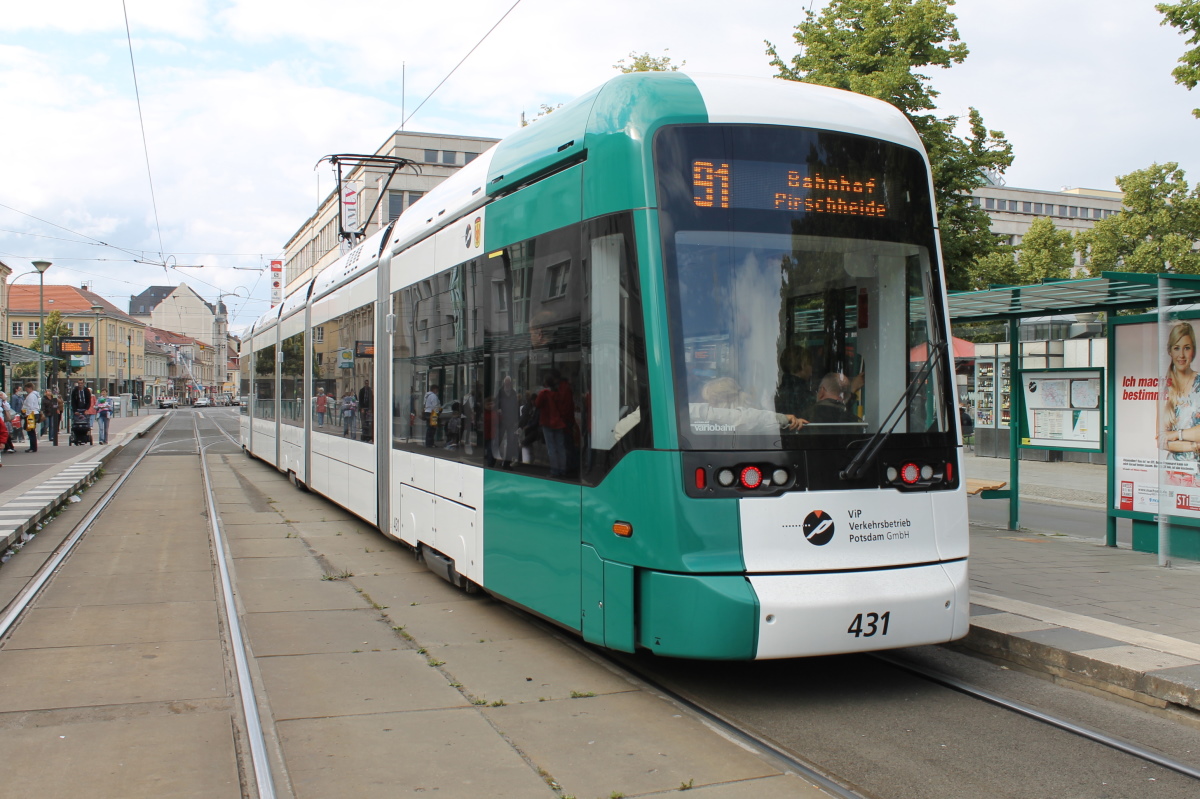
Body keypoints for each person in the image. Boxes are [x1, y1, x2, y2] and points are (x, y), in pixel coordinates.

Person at [689, 376, 805, 434]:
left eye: (712, 401)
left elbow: (741, 418)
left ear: (726, 398)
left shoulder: (746, 420)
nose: (709, 405)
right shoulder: (759, 413)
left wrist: (783, 419)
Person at [1159, 322, 1200, 459]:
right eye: (1176, 348)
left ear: (1193, 350)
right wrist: (1194, 446)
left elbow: (1168, 438)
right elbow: (1161, 441)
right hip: (1174, 468)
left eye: (1187, 348)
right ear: (1170, 351)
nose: (1181, 355)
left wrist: (1177, 435)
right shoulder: (1165, 387)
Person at [495, 376, 521, 468]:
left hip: (511, 421)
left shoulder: (513, 393)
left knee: (511, 442)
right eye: (506, 382)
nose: (507, 384)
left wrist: (516, 420)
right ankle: (494, 459)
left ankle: (507, 463)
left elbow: (516, 407)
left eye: (509, 383)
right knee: (498, 440)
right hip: (502, 420)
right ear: (504, 383)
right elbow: (496, 404)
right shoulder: (500, 392)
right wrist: (498, 410)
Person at [22, 382, 41, 453]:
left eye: (26, 389)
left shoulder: (30, 396)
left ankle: (32, 447)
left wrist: (26, 414)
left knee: (30, 431)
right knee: (32, 431)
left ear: (29, 388)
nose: (26, 390)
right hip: (34, 413)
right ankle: (33, 447)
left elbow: (30, 406)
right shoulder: (35, 395)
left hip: (31, 415)